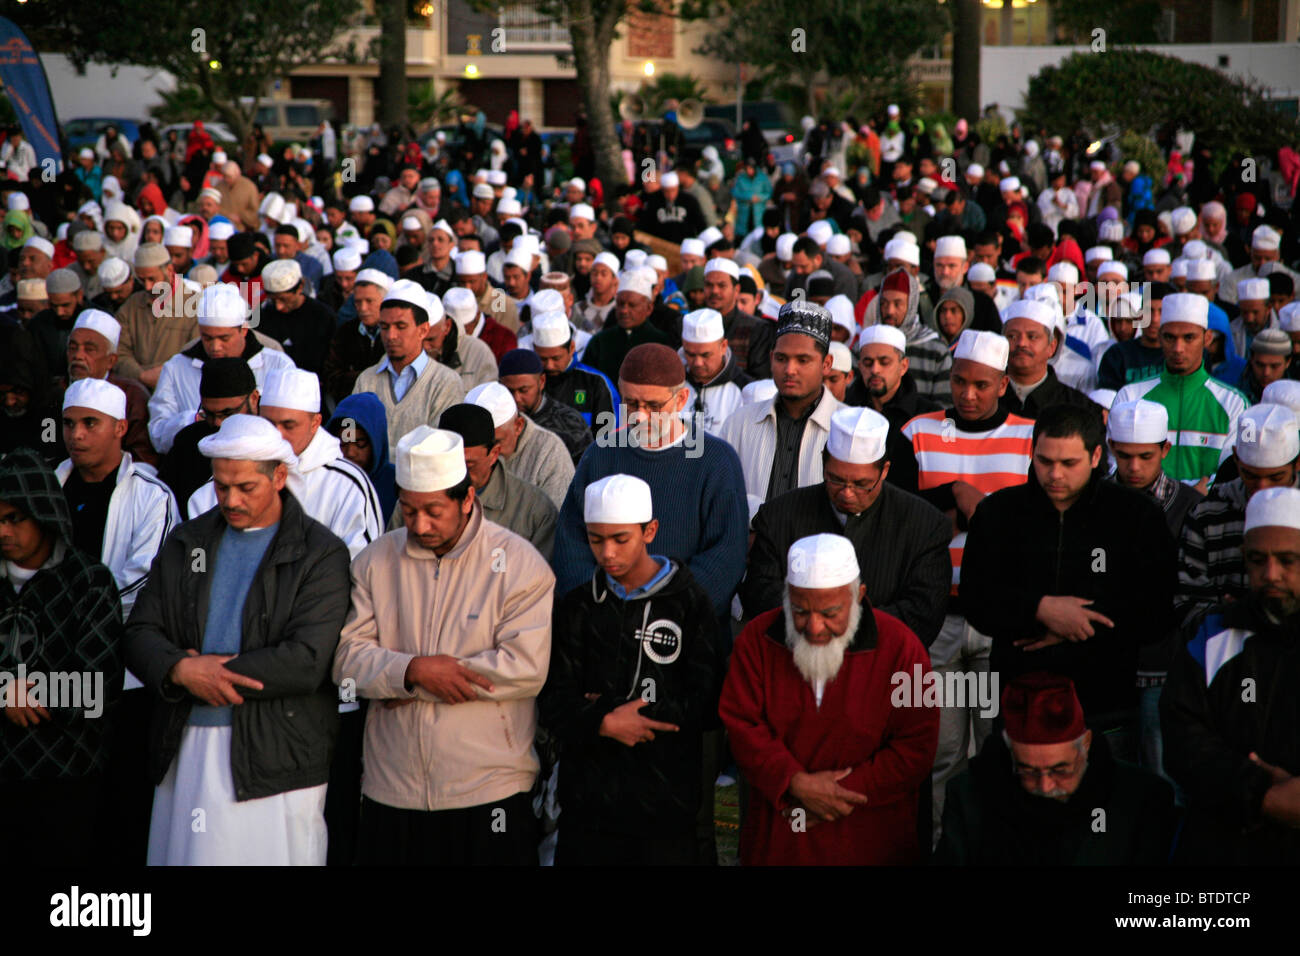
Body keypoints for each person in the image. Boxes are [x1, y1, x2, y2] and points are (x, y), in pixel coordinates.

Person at [125, 414, 352, 864]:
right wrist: (179, 670)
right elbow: (139, 632)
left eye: (246, 487)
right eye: (221, 486)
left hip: (278, 755)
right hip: (185, 744)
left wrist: (209, 672)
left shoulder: (319, 552)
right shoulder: (188, 541)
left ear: (280, 476)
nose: (230, 499)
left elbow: (307, 658)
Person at [332, 426, 554, 865]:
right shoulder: (376, 561)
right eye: (409, 510)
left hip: (490, 787)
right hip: (391, 786)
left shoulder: (519, 563)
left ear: (467, 498)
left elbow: (525, 667)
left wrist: (408, 681)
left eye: (434, 510)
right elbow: (345, 662)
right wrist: (411, 672)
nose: (420, 524)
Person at [961, 402, 1177, 763]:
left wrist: (1079, 624)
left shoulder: (1136, 516)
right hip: (1018, 700)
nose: (1054, 474)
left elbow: (1157, 608)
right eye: (1045, 461)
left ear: (1095, 456)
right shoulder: (998, 513)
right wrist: (1040, 609)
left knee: (1108, 807)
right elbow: (976, 598)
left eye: (1068, 463)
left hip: (1106, 704)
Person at [719, 533, 939, 865]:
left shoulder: (902, 648)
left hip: (870, 834)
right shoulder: (757, 640)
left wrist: (837, 794)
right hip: (781, 835)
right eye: (800, 611)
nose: (814, 627)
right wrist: (794, 782)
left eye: (830, 612)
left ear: (859, 596)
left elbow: (916, 745)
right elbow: (742, 724)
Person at [894, 329, 1036, 831]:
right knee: (940, 752)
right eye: (958, 382)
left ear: (1002, 383)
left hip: (1000, 621)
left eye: (980, 385)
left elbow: (1033, 526)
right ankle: (939, 847)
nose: (967, 395)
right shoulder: (917, 432)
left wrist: (983, 513)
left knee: (998, 747)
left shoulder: (1029, 437)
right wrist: (955, 495)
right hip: (937, 621)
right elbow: (900, 520)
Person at [540, 474, 719, 864]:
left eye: (621, 539)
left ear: (649, 531)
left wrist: (616, 710)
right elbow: (554, 699)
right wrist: (603, 721)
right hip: (589, 808)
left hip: (664, 806)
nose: (607, 553)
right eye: (595, 539)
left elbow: (705, 700)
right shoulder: (577, 607)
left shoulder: (689, 604)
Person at [55, 377, 180, 863]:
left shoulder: (153, 495)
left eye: (90, 423)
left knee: (122, 798)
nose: (76, 435)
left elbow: (145, 581)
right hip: (53, 668)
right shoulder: (48, 486)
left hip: (123, 675)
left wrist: (69, 613)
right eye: (68, 423)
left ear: (121, 429)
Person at [0, 448, 125, 866]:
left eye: (14, 518)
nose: (2, 531)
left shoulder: (88, 581)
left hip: (65, 779)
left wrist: (25, 694)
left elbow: (96, 690)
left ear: (43, 513)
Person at [1162, 487, 1300, 864]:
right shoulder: (1212, 636)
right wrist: (1260, 794)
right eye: (1258, 560)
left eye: (1288, 561)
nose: (1271, 574)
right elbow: (1182, 738)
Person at [743, 405, 951, 646]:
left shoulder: (924, 527)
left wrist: (841, 628)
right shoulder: (779, 515)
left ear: (884, 471)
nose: (847, 494)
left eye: (862, 484)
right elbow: (760, 593)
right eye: (836, 480)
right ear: (823, 461)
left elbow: (923, 613)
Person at [935, 673, 1175, 865]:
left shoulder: (1140, 798)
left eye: (1060, 770)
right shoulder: (969, 795)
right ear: (1010, 755)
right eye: (1028, 771)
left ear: (1086, 744)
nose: (1045, 786)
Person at [188, 368, 382, 558]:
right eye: (269, 423)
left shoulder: (346, 485)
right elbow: (198, 562)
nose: (278, 434)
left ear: (315, 423)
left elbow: (361, 566)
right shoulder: (225, 479)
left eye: (289, 425)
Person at [1175, 402, 1300, 631]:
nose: (1261, 488)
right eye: (1250, 475)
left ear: (1297, 464)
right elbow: (1186, 604)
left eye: (1275, 477)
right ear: (1236, 460)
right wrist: (1227, 616)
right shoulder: (1206, 515)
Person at [1114, 292, 1248, 487]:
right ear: (1160, 337)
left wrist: (1196, 496)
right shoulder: (1130, 396)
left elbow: (1240, 467)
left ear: (1207, 339)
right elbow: (1114, 464)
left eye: (1188, 338)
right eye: (1170, 337)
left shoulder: (1235, 404)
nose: (1178, 348)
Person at [148, 282, 296, 455]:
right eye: (207, 338)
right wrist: (193, 419)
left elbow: (290, 429)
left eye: (224, 338)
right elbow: (158, 435)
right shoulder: (176, 368)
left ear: (244, 330)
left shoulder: (278, 366)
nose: (215, 347)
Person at [718, 300, 841, 501]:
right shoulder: (738, 424)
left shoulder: (845, 428)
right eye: (781, 359)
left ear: (826, 364)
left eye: (802, 360)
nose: (790, 370)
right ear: (771, 358)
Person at [350, 280, 465, 452]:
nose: (391, 336)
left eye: (401, 327)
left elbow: (437, 449)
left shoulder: (446, 382)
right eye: (384, 327)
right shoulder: (366, 380)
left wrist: (373, 454)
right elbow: (350, 435)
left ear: (423, 330)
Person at [436, 402, 557, 559]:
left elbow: (540, 580)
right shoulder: (416, 501)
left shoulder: (534, 510)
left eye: (468, 464)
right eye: (448, 463)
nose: (457, 473)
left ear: (494, 454)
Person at [59, 309, 156, 466]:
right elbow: (45, 442)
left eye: (89, 349)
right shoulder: (54, 392)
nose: (78, 355)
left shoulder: (132, 397)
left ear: (111, 360)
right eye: (73, 347)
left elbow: (142, 459)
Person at [465, 382, 574, 510]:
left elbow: (555, 519)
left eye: (496, 442)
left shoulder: (549, 451)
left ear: (518, 426)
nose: (489, 453)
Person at [860, 268, 953, 404]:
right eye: (884, 303)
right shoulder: (865, 347)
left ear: (911, 305)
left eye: (897, 304)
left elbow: (944, 406)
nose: (889, 311)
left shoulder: (935, 350)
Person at [999, 299, 1095, 419]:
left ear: (1052, 347)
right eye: (1012, 336)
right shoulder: (986, 400)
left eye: (1032, 337)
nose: (1021, 343)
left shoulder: (1079, 407)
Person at [496, 348, 592, 465]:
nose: (517, 398)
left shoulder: (570, 422)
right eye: (509, 391)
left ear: (541, 381)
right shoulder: (493, 420)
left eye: (524, 390)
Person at [581, 269, 672, 384]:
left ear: (649, 308)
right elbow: (582, 385)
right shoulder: (599, 342)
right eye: (620, 304)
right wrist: (580, 401)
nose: (624, 310)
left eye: (632, 305)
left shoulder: (662, 344)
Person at [530, 309, 618, 428]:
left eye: (556, 358)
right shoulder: (528, 383)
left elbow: (610, 435)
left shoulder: (595, 382)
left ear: (571, 348)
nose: (549, 365)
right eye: (543, 359)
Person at [326, 392, 398, 525]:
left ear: (376, 441)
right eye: (342, 443)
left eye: (360, 443)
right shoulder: (325, 480)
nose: (350, 453)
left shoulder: (397, 485)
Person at [323, 268, 392, 403]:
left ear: (384, 301)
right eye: (358, 302)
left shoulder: (393, 334)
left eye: (369, 301)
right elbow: (330, 377)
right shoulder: (345, 332)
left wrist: (353, 375)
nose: (363, 308)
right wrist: (369, 377)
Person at [258, 259, 337, 376]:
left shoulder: (323, 316)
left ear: (300, 287)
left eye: (283, 299)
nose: (278, 307)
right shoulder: (262, 315)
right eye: (273, 300)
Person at [680, 307, 751, 436]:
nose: (697, 363)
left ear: (723, 347)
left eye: (705, 355)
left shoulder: (745, 390)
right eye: (690, 354)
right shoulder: (671, 384)